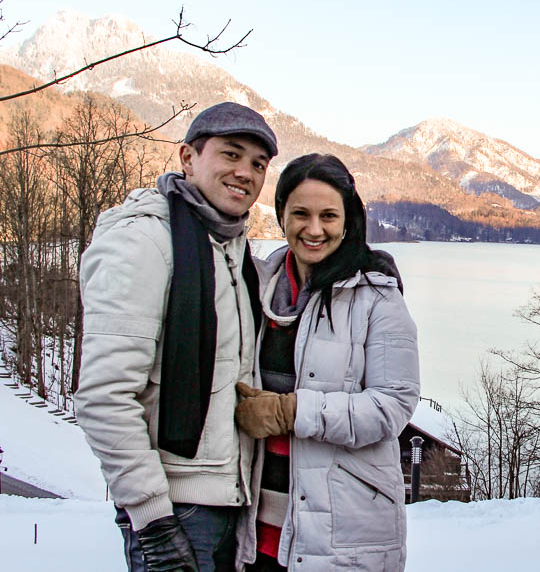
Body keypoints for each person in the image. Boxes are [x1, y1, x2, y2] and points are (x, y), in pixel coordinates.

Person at [74, 102, 278, 572]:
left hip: (229, 503)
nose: (245, 172)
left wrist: (363, 267)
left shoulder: (232, 250)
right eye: (231, 154)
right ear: (188, 157)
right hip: (175, 510)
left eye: (257, 164)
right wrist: (153, 521)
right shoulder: (143, 242)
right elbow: (104, 396)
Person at [234, 153, 419, 572]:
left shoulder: (377, 298)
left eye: (328, 216)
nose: (313, 229)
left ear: (348, 220)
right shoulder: (259, 286)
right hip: (256, 533)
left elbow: (392, 406)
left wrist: (291, 411)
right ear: (281, 215)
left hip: (341, 536)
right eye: (300, 213)